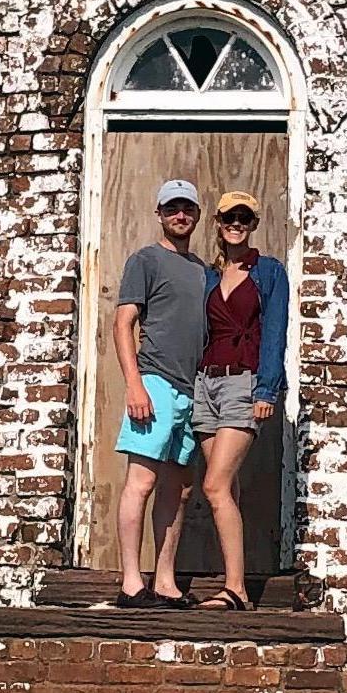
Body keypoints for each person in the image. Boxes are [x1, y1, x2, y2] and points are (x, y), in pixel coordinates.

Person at [111, 179, 213, 604]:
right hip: (154, 381)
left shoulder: (203, 270)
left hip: (193, 392)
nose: (180, 216)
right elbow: (123, 323)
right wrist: (134, 385)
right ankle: (131, 583)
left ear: (197, 215)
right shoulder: (145, 260)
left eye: (187, 208)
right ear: (159, 213)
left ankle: (166, 582)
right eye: (172, 208)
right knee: (143, 480)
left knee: (180, 489)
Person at [185, 191, 288, 612]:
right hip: (205, 384)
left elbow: (276, 332)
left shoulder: (269, 272)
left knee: (214, 485)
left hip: (243, 385)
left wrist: (267, 389)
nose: (237, 224)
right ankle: (235, 581)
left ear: (253, 224)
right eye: (230, 216)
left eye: (245, 217)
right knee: (227, 486)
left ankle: (236, 590)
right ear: (219, 222)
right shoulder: (209, 275)